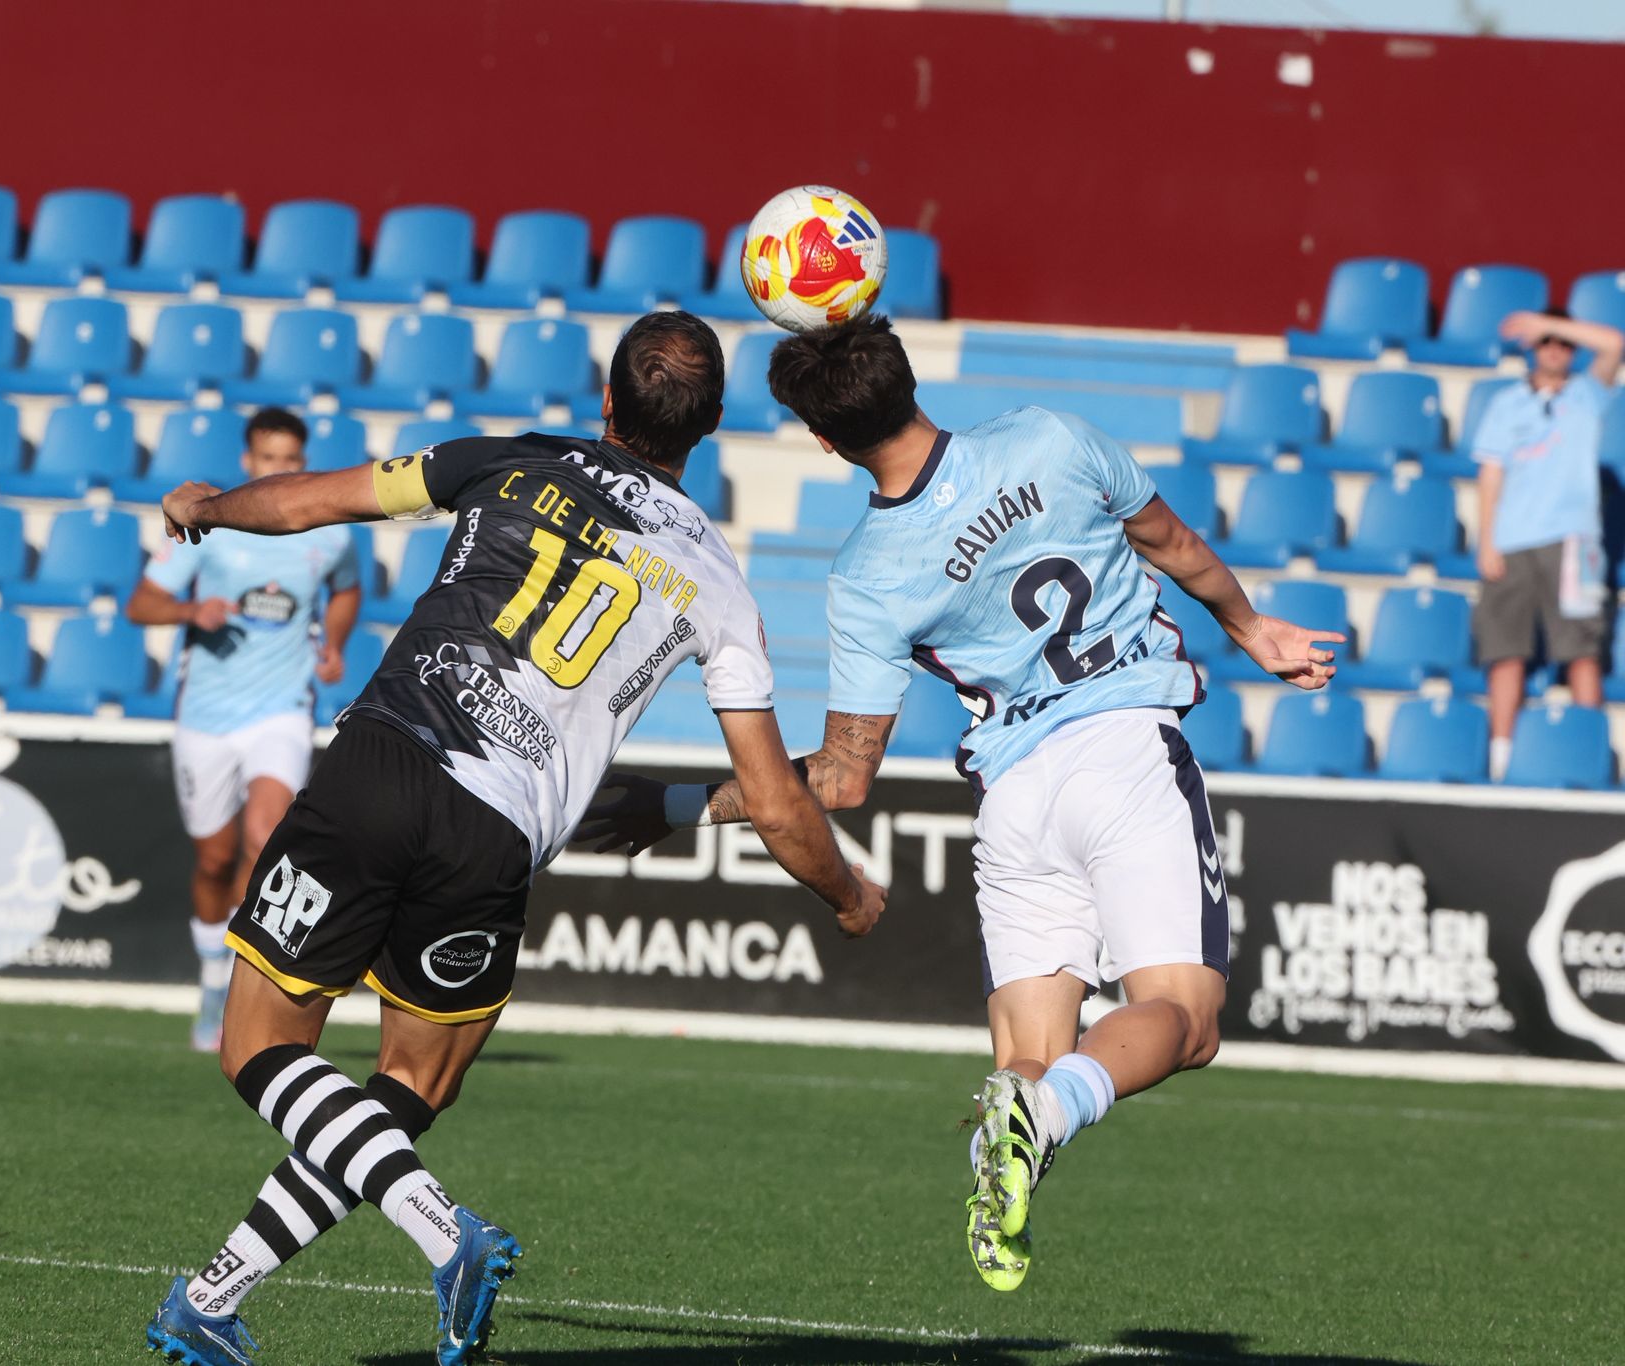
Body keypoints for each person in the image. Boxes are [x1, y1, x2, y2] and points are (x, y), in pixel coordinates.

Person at [141, 311, 887, 1366]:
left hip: (383, 763)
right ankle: (209, 1299)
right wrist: (849, 897)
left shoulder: (508, 458)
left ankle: (445, 1232)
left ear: (605, 404)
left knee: (260, 1047)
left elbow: (316, 499)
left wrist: (206, 508)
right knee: (410, 1087)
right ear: (710, 424)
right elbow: (776, 803)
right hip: (496, 837)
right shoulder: (720, 585)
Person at [581, 315, 1341, 1293]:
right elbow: (1173, 542)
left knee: (1030, 1058)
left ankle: (1017, 1138)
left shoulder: (862, 573)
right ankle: (1045, 1117)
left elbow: (844, 779)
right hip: (1122, 755)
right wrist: (1249, 628)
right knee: (1182, 1021)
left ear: (821, 438)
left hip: (1013, 798)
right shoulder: (1049, 437)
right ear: (903, 371)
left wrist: (683, 801)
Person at [126, 407, 361, 1053]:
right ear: (248, 462)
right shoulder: (210, 527)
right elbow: (140, 603)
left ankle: (238, 993)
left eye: (292, 460)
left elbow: (345, 590)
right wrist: (189, 611)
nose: (281, 470)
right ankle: (208, 976)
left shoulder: (329, 533)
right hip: (206, 715)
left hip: (283, 710)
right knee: (214, 859)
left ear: (302, 461)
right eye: (269, 460)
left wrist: (334, 643)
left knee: (265, 839)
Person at [1472, 309, 1623, 781]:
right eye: (1546, 342)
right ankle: (1500, 762)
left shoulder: (1586, 395)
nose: (1555, 349)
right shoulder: (1506, 403)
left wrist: (1547, 321)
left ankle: (1588, 756)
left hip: (1573, 543)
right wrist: (1487, 541)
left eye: (1562, 342)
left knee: (1581, 653)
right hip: (1513, 542)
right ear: (1533, 349)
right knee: (1505, 651)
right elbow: (1490, 475)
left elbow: (1615, 343)